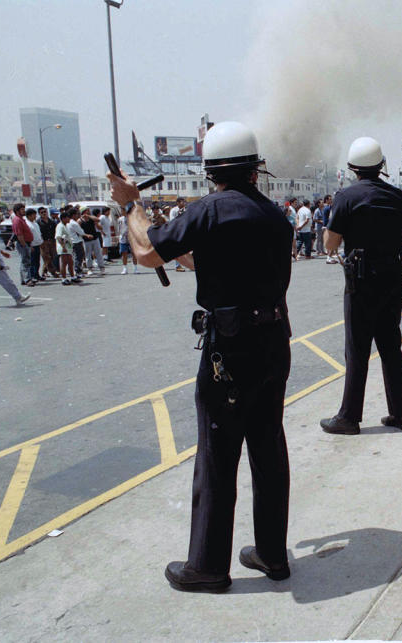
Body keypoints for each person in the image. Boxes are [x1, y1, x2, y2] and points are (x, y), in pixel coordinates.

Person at [109, 120, 294, 593]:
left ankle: (209, 566)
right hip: (274, 342)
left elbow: (148, 251)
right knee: (268, 448)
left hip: (229, 349)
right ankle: (272, 554)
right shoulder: (276, 216)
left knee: (218, 453)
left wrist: (132, 205)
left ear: (211, 168)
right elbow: (211, 259)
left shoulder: (209, 210)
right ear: (256, 167)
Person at [320, 136, 402, 435]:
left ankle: (349, 417)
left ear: (352, 168)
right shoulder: (397, 195)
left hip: (361, 281)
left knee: (357, 349)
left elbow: (331, 245)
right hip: (393, 277)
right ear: (381, 165)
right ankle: (401, 414)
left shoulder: (346, 197)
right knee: (391, 347)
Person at [10, 203, 35, 287]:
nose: (24, 211)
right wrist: (25, 245)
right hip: (22, 244)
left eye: (24, 209)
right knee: (26, 262)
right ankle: (27, 279)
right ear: (17, 211)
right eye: (22, 209)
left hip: (27, 243)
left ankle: (23, 279)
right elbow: (19, 235)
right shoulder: (17, 220)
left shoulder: (21, 219)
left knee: (24, 261)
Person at [55, 210, 79, 285]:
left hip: (68, 247)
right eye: (68, 218)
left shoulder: (65, 225)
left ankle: (72, 277)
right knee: (63, 263)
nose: (69, 220)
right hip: (63, 247)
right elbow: (58, 237)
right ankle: (64, 279)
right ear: (64, 218)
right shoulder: (60, 226)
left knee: (70, 262)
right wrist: (63, 247)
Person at [37, 207, 60, 278]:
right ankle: (53, 272)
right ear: (39, 214)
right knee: (46, 257)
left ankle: (44, 272)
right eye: (42, 212)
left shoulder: (51, 221)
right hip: (44, 241)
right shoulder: (38, 222)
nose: (44, 213)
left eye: (45, 212)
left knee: (52, 256)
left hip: (52, 241)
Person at [116, 208, 138, 274]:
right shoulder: (120, 219)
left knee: (134, 253)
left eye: (124, 210)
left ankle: (135, 268)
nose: (122, 212)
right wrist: (119, 236)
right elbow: (118, 229)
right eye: (122, 211)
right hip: (123, 238)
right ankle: (125, 268)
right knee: (124, 253)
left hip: (132, 238)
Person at [24, 209, 43, 282]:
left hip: (38, 244)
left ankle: (37, 275)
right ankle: (32, 276)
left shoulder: (35, 223)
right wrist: (30, 245)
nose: (35, 216)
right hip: (32, 245)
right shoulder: (27, 224)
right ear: (29, 216)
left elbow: (39, 233)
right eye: (34, 215)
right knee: (32, 262)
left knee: (37, 261)